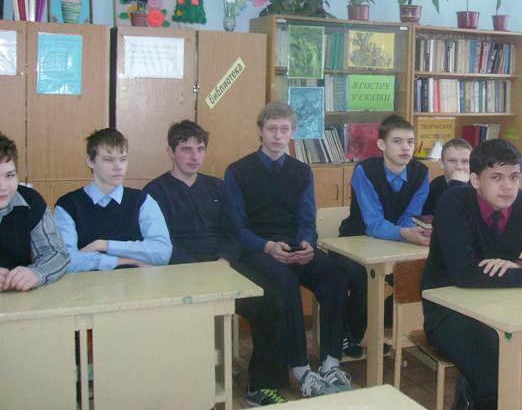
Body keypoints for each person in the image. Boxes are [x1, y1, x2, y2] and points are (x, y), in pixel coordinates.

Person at [421, 139, 522, 410]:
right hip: (449, 310)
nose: (508, 186)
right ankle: (474, 394)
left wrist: (519, 265)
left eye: (514, 176)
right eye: (496, 177)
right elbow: (464, 274)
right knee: (497, 379)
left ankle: (470, 393)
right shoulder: (453, 203)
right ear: (474, 180)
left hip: (503, 305)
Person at [144, 120, 287, 406]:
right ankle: (187, 385)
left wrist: (224, 260)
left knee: (272, 299)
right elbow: (161, 243)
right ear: (170, 152)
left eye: (200, 149)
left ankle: (260, 385)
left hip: (222, 266)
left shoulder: (217, 187)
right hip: (180, 271)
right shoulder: (155, 191)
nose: (194, 156)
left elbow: (233, 232)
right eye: (186, 149)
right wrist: (197, 270)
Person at [225, 102, 351, 398]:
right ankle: (301, 369)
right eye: (272, 129)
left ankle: (331, 363)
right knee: (285, 281)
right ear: (260, 131)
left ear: (293, 132)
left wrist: (307, 243)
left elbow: (307, 218)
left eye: (284, 129)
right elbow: (236, 228)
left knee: (335, 274)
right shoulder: (238, 171)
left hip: (294, 245)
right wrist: (267, 246)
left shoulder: (302, 171)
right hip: (255, 248)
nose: (278, 136)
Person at [336, 114, 431, 358]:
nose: (406, 148)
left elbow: (411, 216)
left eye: (410, 142)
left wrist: (409, 233)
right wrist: (405, 234)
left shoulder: (421, 172)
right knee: (364, 277)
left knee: (421, 272)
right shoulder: (365, 171)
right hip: (353, 242)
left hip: (396, 241)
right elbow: (373, 223)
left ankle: (383, 328)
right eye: (397, 141)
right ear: (382, 145)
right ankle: (350, 335)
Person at [55, 128, 172, 271]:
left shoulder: (142, 200)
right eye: (109, 160)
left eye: (123, 159)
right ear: (90, 161)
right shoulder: (67, 205)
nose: (118, 167)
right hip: (88, 284)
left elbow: (162, 252)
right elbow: (65, 261)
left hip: (136, 283)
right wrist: (121, 261)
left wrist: (103, 245)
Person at [0, 132, 69, 291]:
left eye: (9, 175)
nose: (2, 187)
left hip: (20, 298)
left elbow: (56, 253)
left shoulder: (30, 201)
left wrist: (37, 273)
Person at [422, 138, 471, 216]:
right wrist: (457, 184)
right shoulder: (436, 185)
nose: (459, 167)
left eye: (465, 161)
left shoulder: (478, 187)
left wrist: (457, 183)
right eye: (452, 161)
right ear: (442, 163)